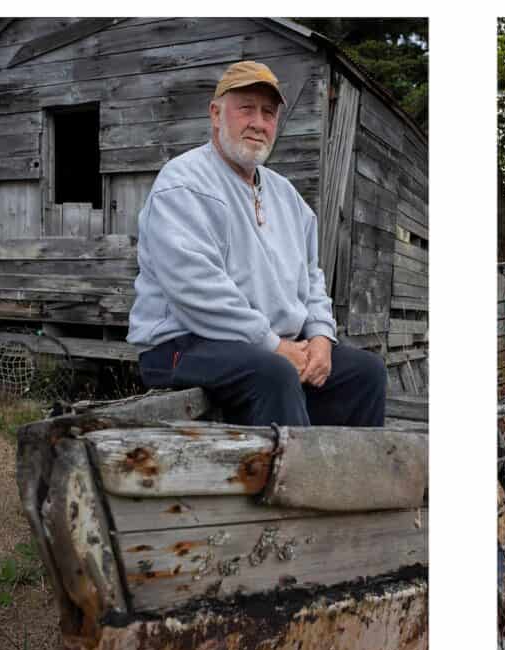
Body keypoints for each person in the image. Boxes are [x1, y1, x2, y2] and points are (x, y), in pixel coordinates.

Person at [127, 61, 386, 427]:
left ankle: (348, 481)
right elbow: (195, 288)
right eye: (246, 108)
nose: (259, 123)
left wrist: (321, 337)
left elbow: (311, 277)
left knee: (366, 373)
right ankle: (293, 483)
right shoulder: (183, 184)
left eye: (269, 113)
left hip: (266, 345)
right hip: (183, 344)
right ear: (216, 114)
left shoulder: (287, 197)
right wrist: (273, 346)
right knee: (274, 373)